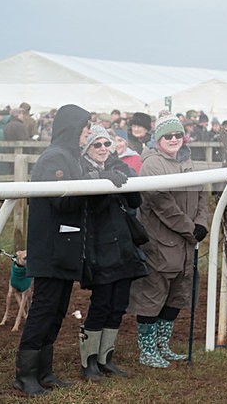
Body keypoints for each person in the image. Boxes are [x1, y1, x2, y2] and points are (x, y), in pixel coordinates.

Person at [15, 104, 123, 396]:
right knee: (43, 311)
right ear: (73, 128)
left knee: (57, 310)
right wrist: (94, 182)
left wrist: (103, 181)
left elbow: (80, 202)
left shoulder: (71, 156)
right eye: (86, 127)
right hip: (51, 248)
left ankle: (44, 371)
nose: (88, 132)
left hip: (64, 248)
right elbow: (61, 201)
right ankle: (25, 375)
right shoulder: (55, 157)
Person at [128, 114, 208, 368]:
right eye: (168, 136)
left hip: (185, 243)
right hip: (160, 241)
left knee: (179, 294)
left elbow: (202, 195)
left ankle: (164, 344)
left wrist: (202, 224)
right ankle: (147, 350)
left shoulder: (189, 162)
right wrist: (189, 228)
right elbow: (162, 203)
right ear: (158, 139)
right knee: (153, 294)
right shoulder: (152, 164)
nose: (174, 139)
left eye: (177, 135)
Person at [79, 125, 148, 381]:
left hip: (123, 246)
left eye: (107, 144)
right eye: (97, 144)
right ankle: (89, 363)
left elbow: (135, 202)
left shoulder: (118, 167)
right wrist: (105, 178)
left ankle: (106, 359)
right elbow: (91, 206)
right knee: (101, 304)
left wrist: (120, 173)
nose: (103, 149)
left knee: (118, 304)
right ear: (88, 148)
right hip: (98, 248)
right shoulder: (81, 170)